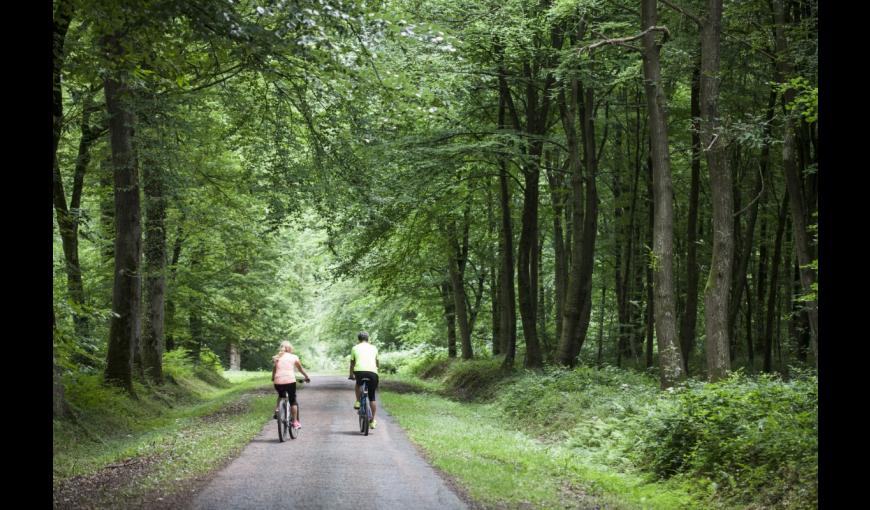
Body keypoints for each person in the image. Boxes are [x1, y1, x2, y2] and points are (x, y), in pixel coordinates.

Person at [272, 341, 310, 429]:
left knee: (281, 396)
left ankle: (277, 410)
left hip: (278, 382)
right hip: (290, 381)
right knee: (293, 401)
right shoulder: (294, 357)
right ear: (290, 349)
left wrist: (273, 378)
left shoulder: (276, 357)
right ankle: (295, 422)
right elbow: (300, 369)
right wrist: (306, 377)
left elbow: (274, 370)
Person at [348, 331, 380, 429]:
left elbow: (352, 363)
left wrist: (351, 375)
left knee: (358, 384)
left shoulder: (355, 348)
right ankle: (372, 421)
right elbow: (377, 362)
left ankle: (358, 401)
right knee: (372, 397)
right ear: (368, 339)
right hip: (373, 373)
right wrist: (376, 369)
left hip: (359, 372)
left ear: (358, 339)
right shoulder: (374, 348)